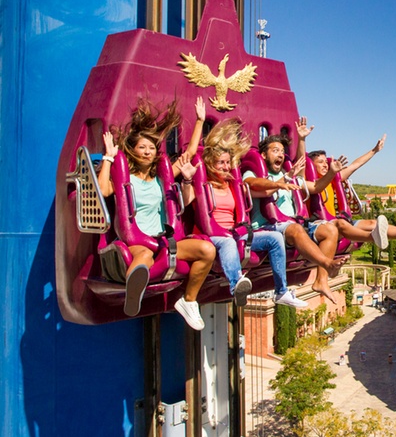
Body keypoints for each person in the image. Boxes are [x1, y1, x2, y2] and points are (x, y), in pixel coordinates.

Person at [98, 97, 215, 330]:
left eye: (151, 148)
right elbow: (102, 190)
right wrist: (109, 157)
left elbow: (189, 153)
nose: (147, 152)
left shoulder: (162, 178)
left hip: (164, 239)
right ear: (132, 150)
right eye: (142, 147)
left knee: (207, 250)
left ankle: (189, 301)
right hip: (139, 241)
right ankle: (133, 296)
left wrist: (200, 121)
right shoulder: (125, 180)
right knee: (143, 258)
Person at [242, 130, 376, 304]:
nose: (280, 155)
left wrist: (331, 173)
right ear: (263, 155)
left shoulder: (290, 176)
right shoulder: (253, 173)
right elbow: (254, 185)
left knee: (330, 228)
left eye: (282, 152)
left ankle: (321, 281)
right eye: (275, 150)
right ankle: (328, 264)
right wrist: (282, 181)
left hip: (293, 224)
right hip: (268, 226)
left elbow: (316, 187)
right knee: (295, 229)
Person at [197, 119, 303, 308]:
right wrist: (199, 122)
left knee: (275, 238)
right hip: (215, 235)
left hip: (235, 232)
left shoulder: (233, 185)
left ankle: (281, 291)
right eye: (220, 163)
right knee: (228, 241)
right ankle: (235, 283)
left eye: (227, 163)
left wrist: (282, 181)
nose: (225, 167)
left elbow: (262, 191)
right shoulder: (204, 186)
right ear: (210, 164)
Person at [297, 117, 396, 247]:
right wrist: (302, 139)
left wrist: (374, 151)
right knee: (342, 224)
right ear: (312, 166)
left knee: (372, 222)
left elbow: (355, 165)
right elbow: (301, 163)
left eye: (325, 162)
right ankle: (373, 237)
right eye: (320, 162)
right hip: (324, 226)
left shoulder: (333, 178)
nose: (325, 165)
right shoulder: (307, 182)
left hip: (337, 222)